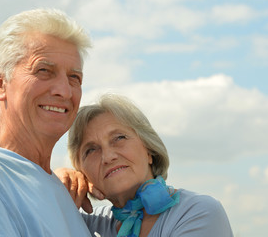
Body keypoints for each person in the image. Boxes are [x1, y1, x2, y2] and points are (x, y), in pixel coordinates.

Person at [0, 8, 95, 236]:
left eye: (74, 77)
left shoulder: (61, 189)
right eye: (43, 70)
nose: (64, 91)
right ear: (0, 84)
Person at [60, 93, 234, 237]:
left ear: (149, 150)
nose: (108, 157)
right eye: (91, 150)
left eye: (119, 138)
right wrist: (55, 184)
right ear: (82, 171)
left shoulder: (198, 212)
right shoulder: (85, 223)